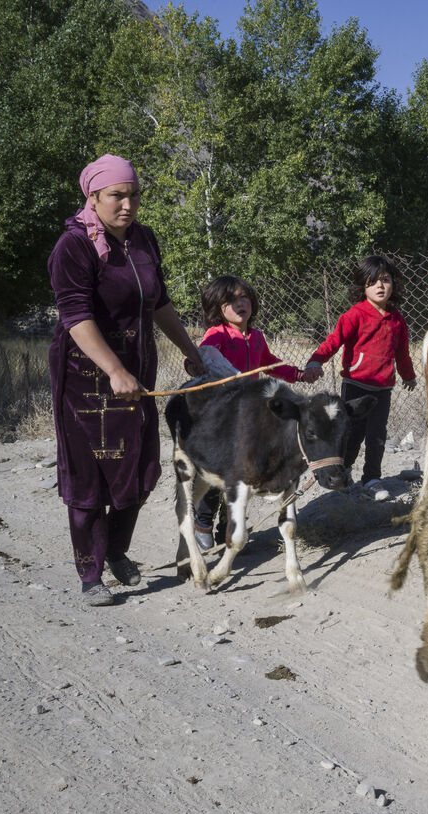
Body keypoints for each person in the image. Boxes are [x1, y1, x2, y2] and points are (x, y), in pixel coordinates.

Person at [48, 154, 206, 606]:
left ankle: (117, 551)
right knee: (90, 478)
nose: (128, 204)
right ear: (93, 196)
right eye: (117, 195)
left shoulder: (143, 239)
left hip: (137, 375)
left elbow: (160, 302)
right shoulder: (73, 247)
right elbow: (75, 316)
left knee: (140, 468)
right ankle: (90, 575)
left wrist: (189, 349)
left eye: (134, 195)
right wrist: (114, 370)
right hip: (84, 381)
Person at [191, 275, 319, 550]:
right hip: (223, 416)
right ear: (217, 307)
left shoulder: (257, 337)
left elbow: (270, 364)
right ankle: (203, 523)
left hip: (248, 417)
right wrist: (195, 365)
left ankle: (228, 529)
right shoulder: (217, 335)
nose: (240, 303)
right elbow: (203, 358)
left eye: (244, 297)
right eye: (230, 300)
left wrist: (298, 374)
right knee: (217, 474)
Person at [304, 256, 416, 499]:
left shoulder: (397, 320)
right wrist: (316, 360)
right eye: (372, 281)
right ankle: (342, 473)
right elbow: (333, 341)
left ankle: (372, 479)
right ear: (362, 286)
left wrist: (408, 376)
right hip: (355, 386)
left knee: (377, 436)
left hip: (382, 391)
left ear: (393, 284)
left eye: (385, 280)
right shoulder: (354, 315)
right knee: (352, 434)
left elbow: (402, 353)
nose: (380, 285)